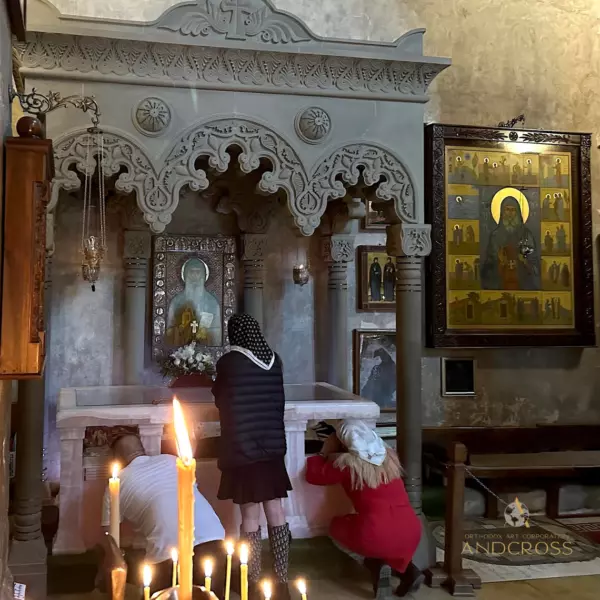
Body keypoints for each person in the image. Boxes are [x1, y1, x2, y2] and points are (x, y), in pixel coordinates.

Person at [212, 313, 292, 599]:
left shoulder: (229, 363)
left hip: (243, 448)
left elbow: (221, 398)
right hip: (272, 449)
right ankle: (282, 580)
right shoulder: (275, 361)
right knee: (276, 510)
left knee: (249, 516)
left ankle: (254, 578)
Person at [306, 421, 422, 599]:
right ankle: (409, 571)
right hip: (412, 529)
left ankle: (375, 565)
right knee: (389, 537)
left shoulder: (347, 465)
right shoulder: (389, 458)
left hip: (375, 532)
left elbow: (313, 475)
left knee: (335, 527)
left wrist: (323, 452)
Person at [101, 434, 226, 596]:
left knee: (156, 595)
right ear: (142, 449)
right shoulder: (172, 460)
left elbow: (110, 537)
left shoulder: (117, 481)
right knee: (209, 595)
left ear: (115, 457)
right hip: (214, 538)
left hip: (166, 554)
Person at [481, 196, 538, 290]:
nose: (510, 213)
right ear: (502, 212)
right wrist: (499, 261)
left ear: (518, 213)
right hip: (500, 282)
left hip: (522, 282)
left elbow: (535, 263)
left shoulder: (526, 234)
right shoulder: (495, 236)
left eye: (513, 210)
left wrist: (524, 261)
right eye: (507, 209)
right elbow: (488, 266)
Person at [166, 257, 222, 346]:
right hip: (181, 350)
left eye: (198, 272)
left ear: (204, 275)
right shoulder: (176, 301)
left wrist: (205, 332)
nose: (195, 276)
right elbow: (169, 329)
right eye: (191, 272)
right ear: (185, 275)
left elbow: (218, 331)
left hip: (206, 350)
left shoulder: (212, 302)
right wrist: (181, 329)